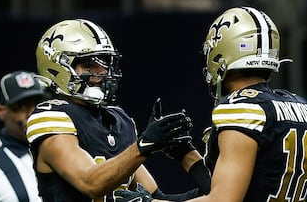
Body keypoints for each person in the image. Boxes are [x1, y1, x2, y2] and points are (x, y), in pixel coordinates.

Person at [114, 6, 307, 202]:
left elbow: (223, 199)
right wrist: (184, 153)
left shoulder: (242, 108)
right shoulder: (299, 106)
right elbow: (239, 185)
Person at [26, 18, 210, 202]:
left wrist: (186, 156)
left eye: (105, 63)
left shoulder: (118, 119)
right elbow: (91, 184)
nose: (102, 73)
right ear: (57, 69)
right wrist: (144, 146)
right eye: (89, 65)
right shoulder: (50, 117)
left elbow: (160, 198)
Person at [0, 70, 46, 201]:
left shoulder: (65, 146)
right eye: (22, 107)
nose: (32, 113)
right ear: (2, 112)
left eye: (37, 103)